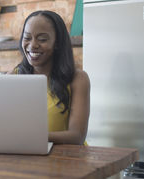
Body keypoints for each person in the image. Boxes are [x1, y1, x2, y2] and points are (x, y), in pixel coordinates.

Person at [10, 10, 90, 145]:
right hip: (28, 157)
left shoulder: (78, 79)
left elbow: (77, 136)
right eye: (27, 37)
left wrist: (33, 137)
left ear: (57, 43)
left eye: (42, 39)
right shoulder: (13, 77)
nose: (33, 45)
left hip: (69, 160)